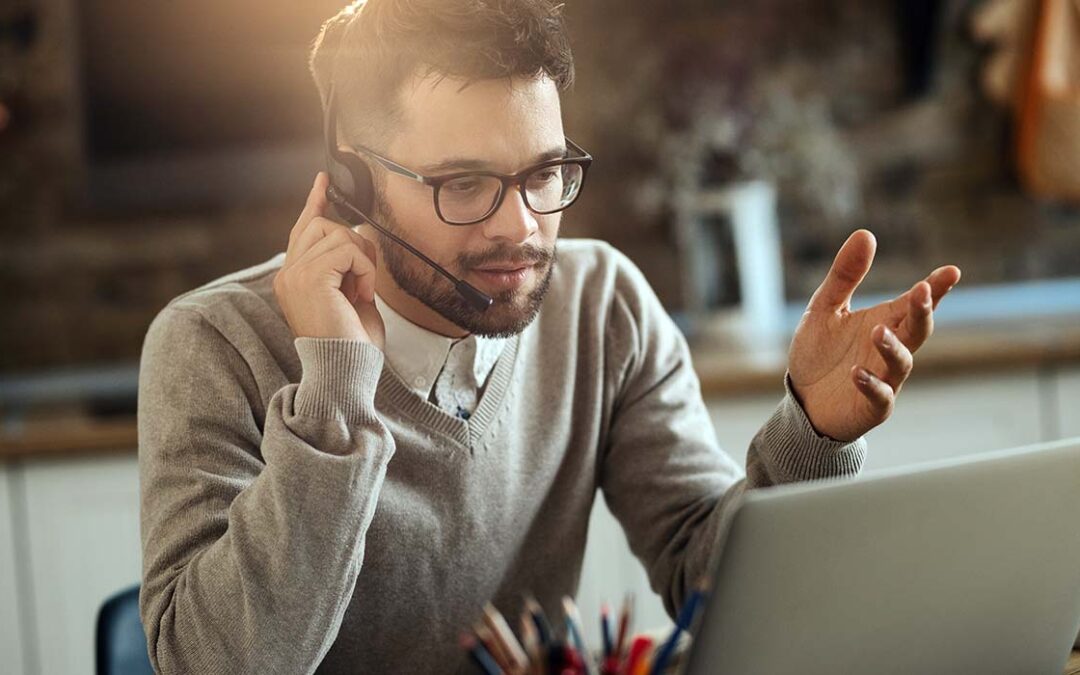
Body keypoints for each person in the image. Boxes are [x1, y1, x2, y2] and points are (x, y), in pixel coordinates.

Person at [136, 1, 962, 672]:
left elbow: (706, 573)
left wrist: (810, 433)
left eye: (544, 173)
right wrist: (336, 392)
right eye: (466, 183)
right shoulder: (212, 345)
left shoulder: (601, 303)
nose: (524, 229)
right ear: (354, 180)